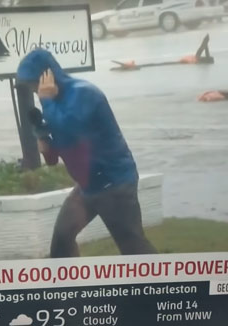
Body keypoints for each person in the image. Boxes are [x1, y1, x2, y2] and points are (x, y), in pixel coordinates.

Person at [16, 49, 157, 258]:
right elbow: (56, 158)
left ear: (47, 76)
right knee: (62, 237)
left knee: (133, 248)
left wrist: (46, 101)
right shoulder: (54, 104)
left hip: (114, 184)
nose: (36, 92)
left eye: (35, 85)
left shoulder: (84, 93)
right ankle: (69, 287)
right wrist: (43, 139)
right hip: (87, 187)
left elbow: (72, 130)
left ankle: (164, 285)